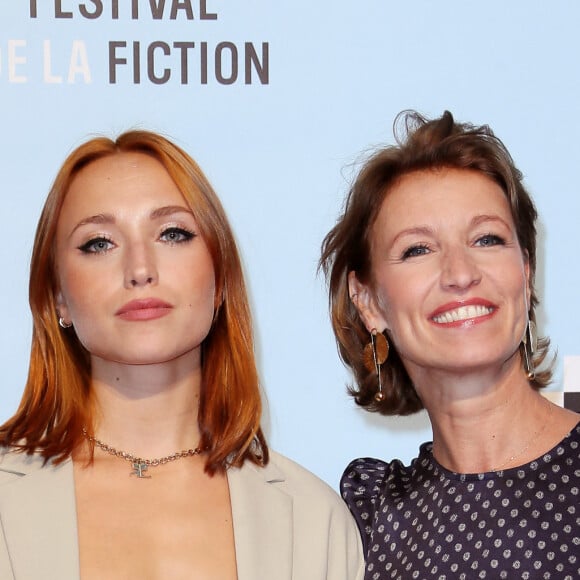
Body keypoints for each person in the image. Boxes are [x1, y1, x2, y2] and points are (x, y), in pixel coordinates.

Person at [0, 130, 364, 580]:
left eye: (172, 233)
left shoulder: (315, 521)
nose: (140, 270)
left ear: (220, 280)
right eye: (99, 243)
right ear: (56, 296)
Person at [320, 110, 580, 579]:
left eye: (487, 239)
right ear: (369, 302)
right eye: (417, 249)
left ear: (526, 270)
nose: (461, 274)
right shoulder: (372, 520)